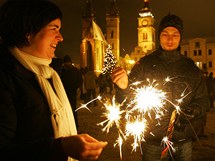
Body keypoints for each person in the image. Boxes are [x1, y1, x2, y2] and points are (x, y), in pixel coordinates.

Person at [0, 1, 107, 161]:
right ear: (28, 32)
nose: (61, 37)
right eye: (54, 28)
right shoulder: (6, 78)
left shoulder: (49, 74)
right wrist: (60, 147)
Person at [112, 14, 209, 161]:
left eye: (175, 34)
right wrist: (124, 87)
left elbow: (203, 100)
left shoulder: (191, 67)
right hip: (154, 143)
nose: (170, 39)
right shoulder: (144, 64)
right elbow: (128, 101)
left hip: (183, 142)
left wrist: (194, 110)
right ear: (159, 36)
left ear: (180, 37)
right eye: (165, 34)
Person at [61, 55, 82, 129]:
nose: (66, 64)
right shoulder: (62, 71)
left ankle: (75, 125)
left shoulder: (75, 71)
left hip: (72, 93)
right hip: (63, 93)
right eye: (65, 63)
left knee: (73, 109)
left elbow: (79, 81)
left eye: (68, 62)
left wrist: (75, 88)